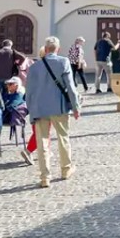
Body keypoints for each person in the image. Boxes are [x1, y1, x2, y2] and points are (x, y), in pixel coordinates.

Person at [25, 36, 81, 189]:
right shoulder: (63, 62)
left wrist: (31, 110)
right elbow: (71, 87)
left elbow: (29, 92)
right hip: (59, 107)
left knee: (42, 142)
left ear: (45, 49)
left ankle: (45, 177)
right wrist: (76, 107)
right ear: (58, 49)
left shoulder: (34, 67)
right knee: (63, 137)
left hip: (39, 108)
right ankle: (66, 169)